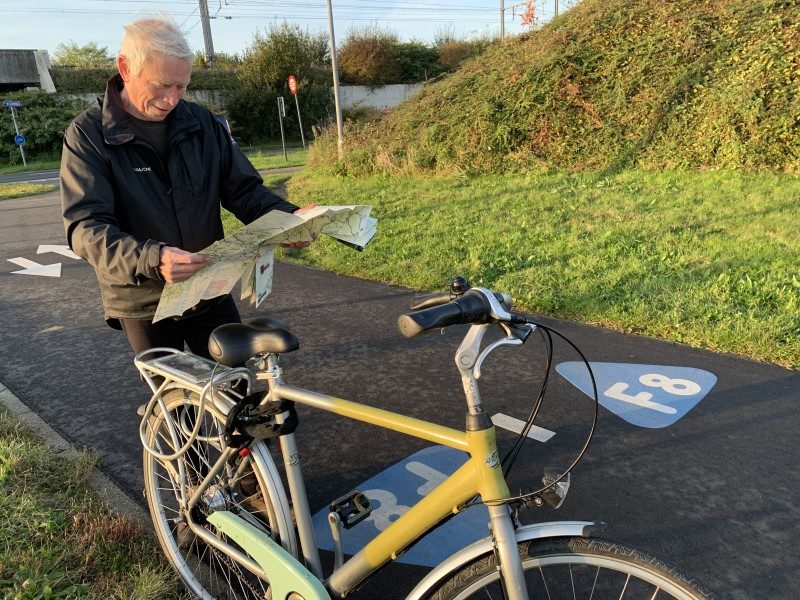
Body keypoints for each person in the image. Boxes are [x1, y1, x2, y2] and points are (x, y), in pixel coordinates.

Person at [60, 16, 312, 360]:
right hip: (144, 299)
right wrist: (153, 258)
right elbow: (85, 228)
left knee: (231, 386)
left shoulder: (202, 123)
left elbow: (243, 190)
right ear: (125, 67)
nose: (172, 99)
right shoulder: (88, 134)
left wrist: (289, 217)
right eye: (162, 85)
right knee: (176, 399)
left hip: (208, 284)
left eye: (181, 87)